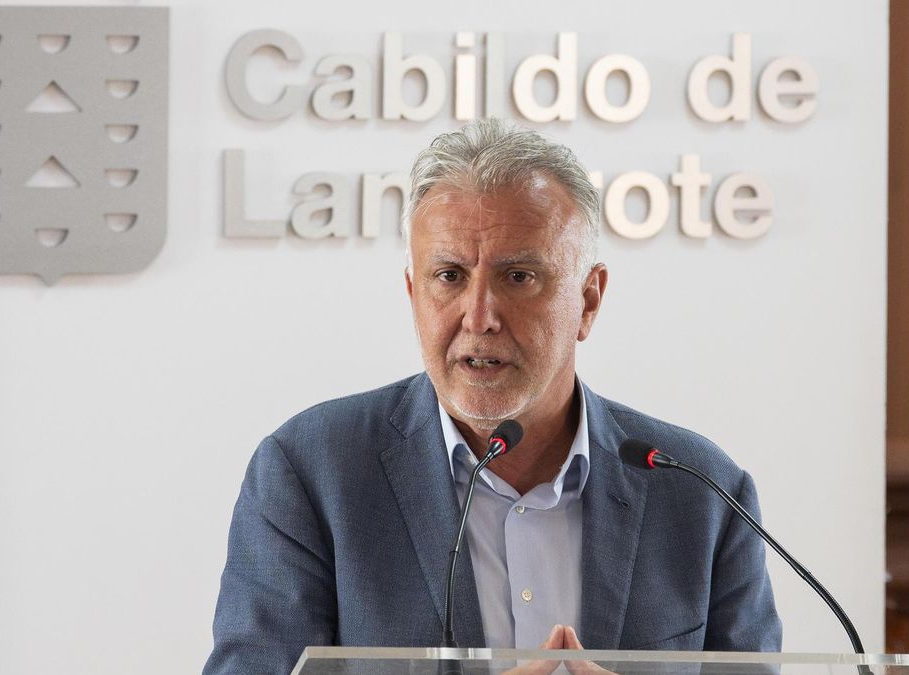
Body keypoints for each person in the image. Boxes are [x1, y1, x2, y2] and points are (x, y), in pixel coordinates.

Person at [203, 119, 781, 675]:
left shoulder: (703, 493)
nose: (479, 317)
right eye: (450, 276)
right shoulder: (309, 472)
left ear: (589, 300)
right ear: (413, 293)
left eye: (519, 277)